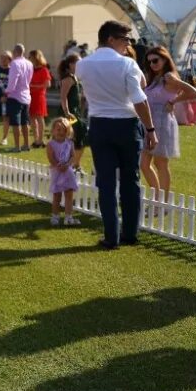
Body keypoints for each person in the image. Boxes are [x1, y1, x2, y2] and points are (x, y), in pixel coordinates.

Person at [75, 20, 158, 249]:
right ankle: (129, 234)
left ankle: (111, 237)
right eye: (125, 39)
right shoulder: (127, 64)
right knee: (131, 181)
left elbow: (83, 84)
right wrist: (150, 129)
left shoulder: (83, 65)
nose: (128, 43)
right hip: (127, 125)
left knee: (106, 183)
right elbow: (139, 96)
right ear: (111, 38)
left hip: (100, 125)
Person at [139, 46, 196, 209]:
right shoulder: (153, 77)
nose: (152, 64)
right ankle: (157, 199)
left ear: (165, 59)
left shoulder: (169, 77)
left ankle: (163, 204)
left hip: (163, 121)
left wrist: (174, 101)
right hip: (149, 122)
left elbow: (194, 93)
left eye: (155, 60)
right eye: (149, 61)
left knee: (161, 163)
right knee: (144, 164)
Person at [58, 54, 88, 173]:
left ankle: (75, 164)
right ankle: (73, 165)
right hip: (69, 114)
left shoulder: (75, 77)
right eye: (77, 62)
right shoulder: (68, 79)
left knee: (80, 136)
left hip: (76, 112)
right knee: (77, 136)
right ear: (70, 64)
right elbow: (63, 97)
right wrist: (67, 112)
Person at [47, 117, 80, 226]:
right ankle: (55, 216)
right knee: (57, 195)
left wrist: (67, 164)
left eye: (64, 130)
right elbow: (50, 157)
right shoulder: (51, 144)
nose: (61, 132)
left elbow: (72, 156)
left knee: (69, 194)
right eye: (58, 129)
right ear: (53, 131)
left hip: (67, 172)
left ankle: (68, 216)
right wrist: (57, 165)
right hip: (57, 171)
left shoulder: (69, 143)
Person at [5, 44, 33, 152]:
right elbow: (29, 79)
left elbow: (13, 80)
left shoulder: (14, 63)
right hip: (26, 95)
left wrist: (7, 91)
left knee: (16, 122)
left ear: (14, 52)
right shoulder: (29, 63)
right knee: (25, 121)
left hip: (15, 96)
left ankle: (17, 146)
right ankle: (26, 144)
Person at [28, 49, 52, 148]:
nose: (29, 58)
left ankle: (41, 139)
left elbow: (47, 84)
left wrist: (33, 86)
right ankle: (36, 139)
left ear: (35, 57)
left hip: (39, 96)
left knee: (39, 117)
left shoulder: (43, 70)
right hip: (30, 96)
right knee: (32, 117)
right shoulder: (31, 69)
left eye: (30, 56)